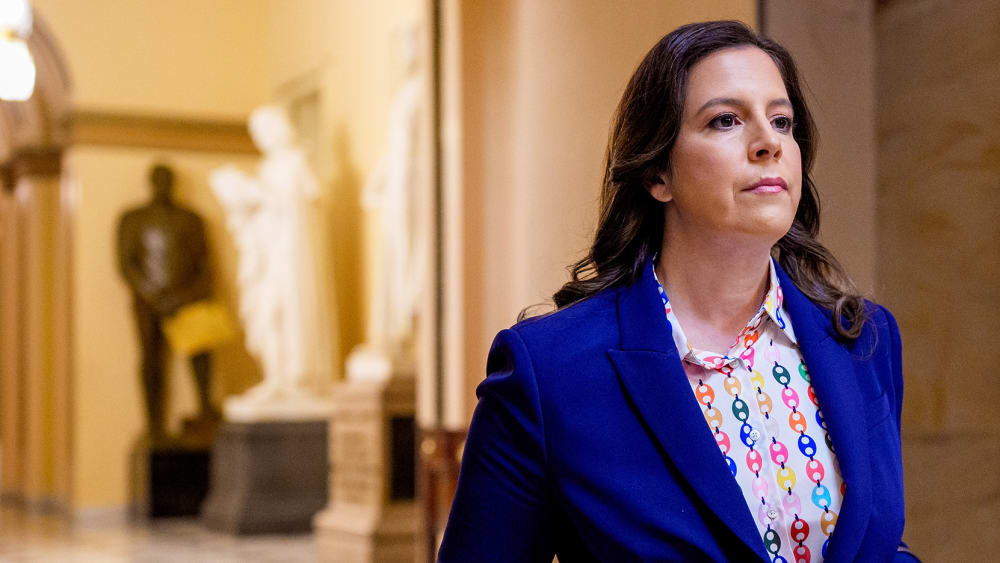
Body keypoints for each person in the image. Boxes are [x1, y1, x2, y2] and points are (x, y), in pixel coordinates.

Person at [438, 21, 917, 562]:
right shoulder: (550, 372)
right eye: (726, 120)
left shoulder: (864, 339)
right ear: (658, 173)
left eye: (782, 122)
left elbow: (880, 546)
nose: (768, 144)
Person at [117, 164, 218, 444]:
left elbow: (204, 263)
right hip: (149, 302)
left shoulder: (189, 219)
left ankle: (205, 409)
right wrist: (154, 295)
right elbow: (127, 263)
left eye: (167, 180)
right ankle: (154, 424)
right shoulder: (133, 218)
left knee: (200, 356)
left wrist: (183, 296)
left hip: (187, 299)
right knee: (151, 361)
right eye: (158, 180)